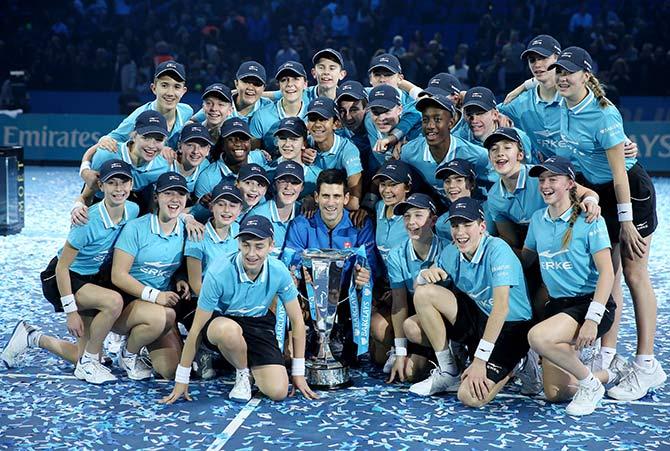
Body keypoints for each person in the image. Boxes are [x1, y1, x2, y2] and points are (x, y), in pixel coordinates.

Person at [550, 47, 666, 399]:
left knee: (634, 273)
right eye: (559, 72)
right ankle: (608, 356)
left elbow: (620, 176)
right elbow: (534, 82)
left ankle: (647, 365)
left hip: (629, 193)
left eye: (569, 72)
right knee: (609, 272)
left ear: (587, 75)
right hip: (596, 190)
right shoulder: (563, 105)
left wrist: (627, 222)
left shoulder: (603, 114)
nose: (562, 77)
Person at [1, 160, 139, 384]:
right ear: (101, 187)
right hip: (62, 278)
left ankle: (32, 336)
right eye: (111, 183)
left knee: (80, 354)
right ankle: (89, 364)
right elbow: (61, 267)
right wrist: (71, 312)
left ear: (131, 185)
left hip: (91, 280)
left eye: (123, 182)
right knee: (113, 301)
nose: (118, 188)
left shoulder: (132, 210)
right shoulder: (85, 221)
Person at [160, 215, 318, 403]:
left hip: (258, 323)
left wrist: (298, 374)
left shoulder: (279, 271)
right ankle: (242, 373)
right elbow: (195, 329)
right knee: (229, 331)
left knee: (278, 392)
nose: (251, 253)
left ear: (271, 245)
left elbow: (297, 322)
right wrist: (181, 379)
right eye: (246, 245)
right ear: (238, 244)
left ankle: (250, 365)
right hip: (222, 322)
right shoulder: (218, 272)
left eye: (259, 246)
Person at [408, 197, 533, 407]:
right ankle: (448, 370)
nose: (460, 232)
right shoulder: (451, 252)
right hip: (479, 317)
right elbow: (420, 288)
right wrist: (423, 276)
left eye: (467, 225)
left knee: (470, 397)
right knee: (419, 306)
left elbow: (501, 309)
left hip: (511, 327)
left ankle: (518, 363)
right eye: (456, 225)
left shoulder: (498, 250)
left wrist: (480, 360)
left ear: (482, 227)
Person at [523, 157, 623, 416]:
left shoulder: (591, 220)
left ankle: (590, 385)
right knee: (556, 393)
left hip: (590, 304)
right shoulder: (537, 219)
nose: (545, 185)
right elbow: (525, 259)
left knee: (537, 337)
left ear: (570, 184)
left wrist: (592, 319)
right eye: (542, 180)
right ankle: (609, 373)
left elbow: (607, 273)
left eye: (552, 179)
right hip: (558, 307)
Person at [284, 169, 376, 365]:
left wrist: (364, 276)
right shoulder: (301, 224)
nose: (331, 202)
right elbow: (289, 261)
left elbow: (370, 264)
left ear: (346, 198)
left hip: (346, 298)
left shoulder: (360, 225)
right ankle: (310, 336)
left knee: (365, 286)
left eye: (336, 196)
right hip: (309, 296)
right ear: (316, 197)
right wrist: (300, 271)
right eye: (325, 196)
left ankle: (346, 335)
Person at [110, 172, 191, 380]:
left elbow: (179, 263)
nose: (175, 199)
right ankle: (128, 354)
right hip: (126, 303)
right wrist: (156, 296)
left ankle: (143, 341)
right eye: (168, 193)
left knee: (170, 371)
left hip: (158, 307)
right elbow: (118, 276)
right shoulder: (136, 228)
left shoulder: (187, 230)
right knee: (165, 315)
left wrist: (181, 276)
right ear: (156, 197)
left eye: (180, 194)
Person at [384, 193, 443, 383]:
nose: (411, 222)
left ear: (433, 220)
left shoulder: (448, 249)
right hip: (422, 318)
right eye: (407, 216)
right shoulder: (396, 255)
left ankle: (453, 357)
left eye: (418, 215)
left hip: (451, 320)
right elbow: (399, 303)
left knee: (411, 326)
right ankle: (435, 355)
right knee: (409, 374)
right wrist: (400, 352)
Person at [73, 110, 171, 219]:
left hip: (135, 203)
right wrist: (78, 209)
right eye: (146, 137)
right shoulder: (107, 155)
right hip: (101, 200)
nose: (151, 145)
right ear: (133, 136)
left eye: (159, 139)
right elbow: (86, 196)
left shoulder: (162, 166)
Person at [400, 91, 493, 201]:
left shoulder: (478, 155)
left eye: (437, 119)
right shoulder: (408, 153)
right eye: (425, 120)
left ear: (451, 123)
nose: (430, 126)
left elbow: (495, 187)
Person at [191, 118, 267, 221]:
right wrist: (203, 206)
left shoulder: (260, 158)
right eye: (232, 139)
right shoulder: (208, 177)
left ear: (250, 142)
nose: (239, 144)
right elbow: (198, 216)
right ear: (222, 143)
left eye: (244, 139)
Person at [185, 183, 243, 299]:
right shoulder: (197, 236)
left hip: (234, 298)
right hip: (205, 300)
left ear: (240, 210)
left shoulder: (239, 229)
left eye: (232, 205)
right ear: (211, 207)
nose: (227, 210)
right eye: (221, 204)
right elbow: (196, 285)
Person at [306, 97, 363, 210]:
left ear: (336, 124)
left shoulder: (348, 150)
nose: (317, 124)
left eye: (323, 119)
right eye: (313, 119)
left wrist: (317, 202)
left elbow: (354, 202)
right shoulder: (304, 144)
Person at [457, 86, 536, 163]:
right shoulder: (459, 139)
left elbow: (530, 169)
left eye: (480, 114)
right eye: (469, 114)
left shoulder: (519, 137)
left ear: (495, 115)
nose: (474, 120)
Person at [250, 61, 309, 155]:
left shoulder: (312, 115)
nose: (289, 84)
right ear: (279, 85)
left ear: (305, 84)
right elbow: (253, 156)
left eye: (295, 79)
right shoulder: (261, 116)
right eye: (284, 80)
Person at [249, 160, 304, 258]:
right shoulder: (258, 216)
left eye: (295, 182)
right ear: (274, 185)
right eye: (283, 181)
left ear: (302, 187)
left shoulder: (305, 213)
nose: (288, 187)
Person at [433, 158, 496, 240]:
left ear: (472, 184)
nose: (451, 186)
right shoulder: (441, 223)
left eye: (458, 180)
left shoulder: (491, 208)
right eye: (447, 181)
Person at [191, 61, 272, 125]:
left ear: (264, 88)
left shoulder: (268, 106)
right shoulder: (221, 104)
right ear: (236, 83)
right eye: (246, 82)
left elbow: (282, 93)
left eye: (257, 84)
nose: (250, 88)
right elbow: (192, 121)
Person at [268, 117, 321, 198]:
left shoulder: (317, 176)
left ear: (304, 143)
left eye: (293, 139)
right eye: (282, 138)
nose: (287, 144)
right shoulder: (267, 171)